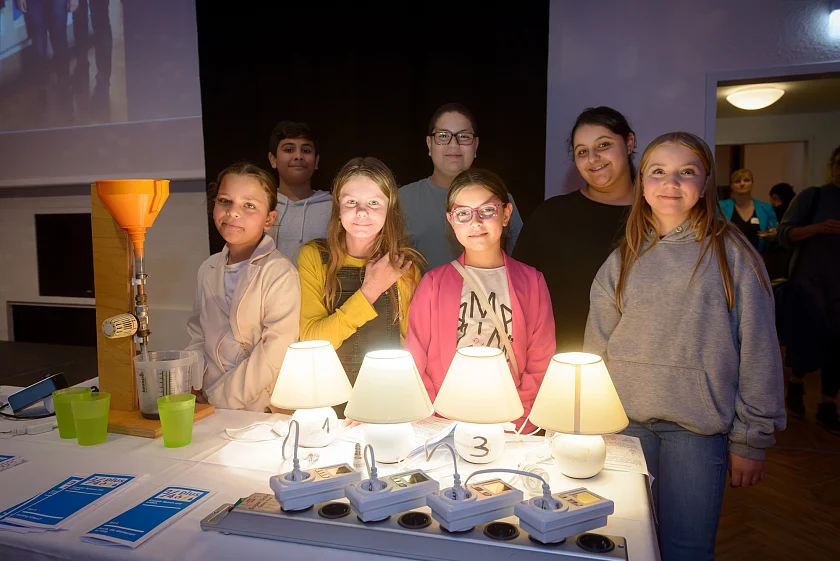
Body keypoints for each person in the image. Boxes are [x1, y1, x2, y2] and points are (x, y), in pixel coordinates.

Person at [584, 132, 785, 561]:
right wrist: (592, 421)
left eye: (686, 172)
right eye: (658, 172)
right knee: (623, 546)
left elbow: (760, 352)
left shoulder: (735, 257)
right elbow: (597, 347)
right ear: (642, 183)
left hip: (696, 432)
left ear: (706, 182)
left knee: (685, 551)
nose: (670, 183)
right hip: (624, 428)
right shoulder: (623, 258)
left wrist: (751, 439)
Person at [405, 168, 555, 433]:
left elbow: (541, 359)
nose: (475, 223)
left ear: (506, 214)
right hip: (446, 420)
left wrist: (517, 417)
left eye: (487, 211)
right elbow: (415, 359)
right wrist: (438, 417)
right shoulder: (433, 283)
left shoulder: (531, 281)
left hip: (511, 421)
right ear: (451, 221)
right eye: (463, 213)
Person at [298, 157, 423, 417]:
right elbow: (311, 340)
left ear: (390, 209)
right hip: (326, 402)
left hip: (386, 401)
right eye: (351, 202)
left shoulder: (405, 268)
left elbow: (413, 349)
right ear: (338, 208)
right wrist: (370, 290)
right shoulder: (313, 256)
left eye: (374, 203)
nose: (361, 212)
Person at [513, 106, 635, 352]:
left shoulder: (658, 216)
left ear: (629, 142)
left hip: (639, 369)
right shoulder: (551, 216)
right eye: (582, 152)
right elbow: (518, 294)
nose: (593, 158)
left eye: (603, 145)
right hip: (564, 366)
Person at [186, 162, 301, 412]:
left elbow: (275, 351)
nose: (233, 213)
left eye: (249, 206)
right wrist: (195, 384)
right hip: (207, 399)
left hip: (259, 405)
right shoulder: (207, 268)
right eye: (225, 201)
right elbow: (198, 334)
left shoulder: (279, 273)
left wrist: (222, 399)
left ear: (270, 218)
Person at [399, 102, 523, 270]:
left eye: (463, 136)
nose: (453, 145)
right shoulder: (401, 200)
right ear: (429, 144)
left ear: (476, 145)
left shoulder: (499, 201)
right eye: (443, 135)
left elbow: (520, 267)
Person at [778, 145, 840, 434]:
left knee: (837, 346)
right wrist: (818, 228)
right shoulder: (813, 197)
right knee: (807, 341)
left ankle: (828, 405)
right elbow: (785, 232)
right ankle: (796, 385)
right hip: (809, 285)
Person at [265, 121, 332, 265]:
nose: (298, 156)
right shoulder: (262, 205)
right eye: (289, 150)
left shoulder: (335, 207)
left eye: (306, 151)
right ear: (273, 159)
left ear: (316, 161)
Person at [719, 168, 777, 252]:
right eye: (737, 181)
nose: (742, 184)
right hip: (727, 258)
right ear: (731, 186)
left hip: (757, 259)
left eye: (746, 180)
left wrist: (773, 239)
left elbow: (775, 239)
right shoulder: (720, 207)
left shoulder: (766, 208)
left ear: (752, 184)